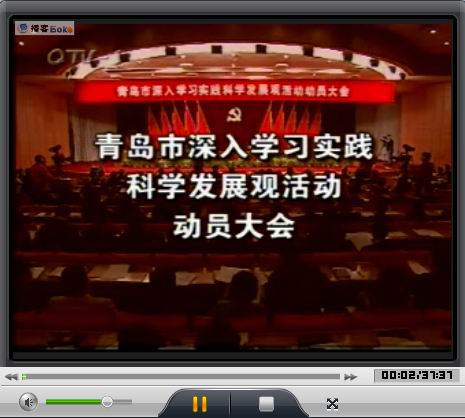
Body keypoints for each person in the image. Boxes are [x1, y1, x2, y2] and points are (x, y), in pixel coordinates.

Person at [47, 265, 117, 319]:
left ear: (62, 284)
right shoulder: (105, 304)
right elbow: (114, 323)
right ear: (87, 283)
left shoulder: (54, 302)